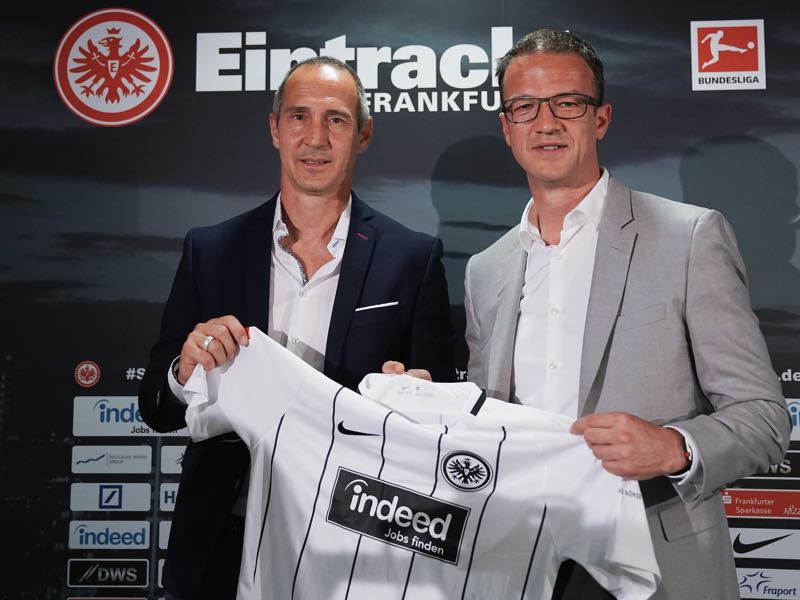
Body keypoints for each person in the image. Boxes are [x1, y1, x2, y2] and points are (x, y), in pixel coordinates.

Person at [461, 29, 790, 599]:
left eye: (568, 103)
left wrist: (673, 446)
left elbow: (765, 419)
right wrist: (424, 406)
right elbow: (485, 424)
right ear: (506, 127)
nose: (546, 122)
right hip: (519, 564)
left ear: (601, 119)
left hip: (657, 563)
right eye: (525, 107)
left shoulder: (689, 238)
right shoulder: (485, 270)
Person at [138, 56, 455, 600]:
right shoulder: (208, 250)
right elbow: (156, 407)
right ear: (274, 128)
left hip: (357, 533)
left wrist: (420, 397)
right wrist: (181, 369)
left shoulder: (413, 258)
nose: (315, 137)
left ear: (364, 134)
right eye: (299, 117)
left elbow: (443, 409)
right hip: (221, 535)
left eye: (335, 119)